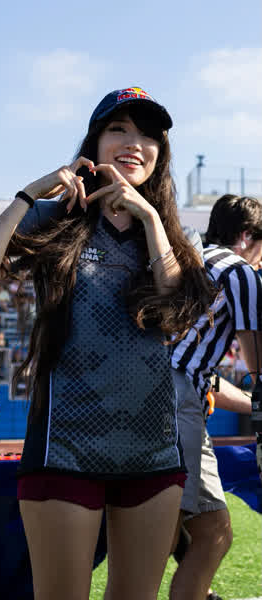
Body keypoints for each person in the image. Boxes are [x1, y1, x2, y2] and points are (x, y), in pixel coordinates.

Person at [0, 86, 217, 599]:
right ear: (95, 142)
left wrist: (151, 220)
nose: (134, 143)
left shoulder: (176, 236)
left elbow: (176, 316)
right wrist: (27, 196)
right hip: (64, 451)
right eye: (118, 129)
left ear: (161, 152)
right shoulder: (56, 217)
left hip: (153, 454)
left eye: (148, 135)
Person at [170, 194, 262, 600]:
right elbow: (258, 367)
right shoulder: (241, 273)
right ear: (247, 236)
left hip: (161, 390)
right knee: (167, 530)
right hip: (176, 404)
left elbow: (193, 367)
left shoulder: (192, 258)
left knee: (208, 529)